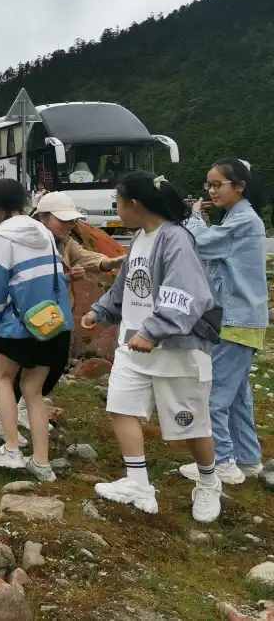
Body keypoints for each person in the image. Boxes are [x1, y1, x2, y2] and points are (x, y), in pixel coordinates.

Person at [82, 172, 222, 522]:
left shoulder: (176, 239)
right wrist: (100, 310)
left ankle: (208, 481)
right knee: (121, 407)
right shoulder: (140, 238)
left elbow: (187, 292)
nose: (116, 207)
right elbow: (127, 286)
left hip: (175, 349)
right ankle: (138, 483)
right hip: (133, 346)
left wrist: (155, 331)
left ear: (135, 204)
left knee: (192, 424)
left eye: (118, 200)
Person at [0, 191, 125, 441]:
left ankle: (20, 418)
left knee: (44, 374)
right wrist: (66, 277)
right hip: (26, 320)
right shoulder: (21, 239)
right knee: (17, 375)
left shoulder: (65, 242)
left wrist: (110, 262)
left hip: (55, 319)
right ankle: (6, 423)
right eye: (63, 221)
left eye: (72, 222)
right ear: (43, 217)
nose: (69, 226)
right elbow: (12, 282)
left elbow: (86, 257)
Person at [178, 158, 269, 486]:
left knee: (215, 393)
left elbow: (199, 244)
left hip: (235, 319)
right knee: (238, 395)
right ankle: (247, 458)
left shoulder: (243, 221)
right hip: (243, 319)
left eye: (218, 185)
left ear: (239, 187)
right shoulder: (239, 218)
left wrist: (194, 217)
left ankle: (222, 462)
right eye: (209, 185)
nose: (211, 191)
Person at [0, 179, 72, 484]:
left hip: (18, 326)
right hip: (51, 324)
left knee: (3, 377)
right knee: (33, 391)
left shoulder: (1, 237)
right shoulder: (44, 232)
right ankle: (42, 463)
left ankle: (12, 448)